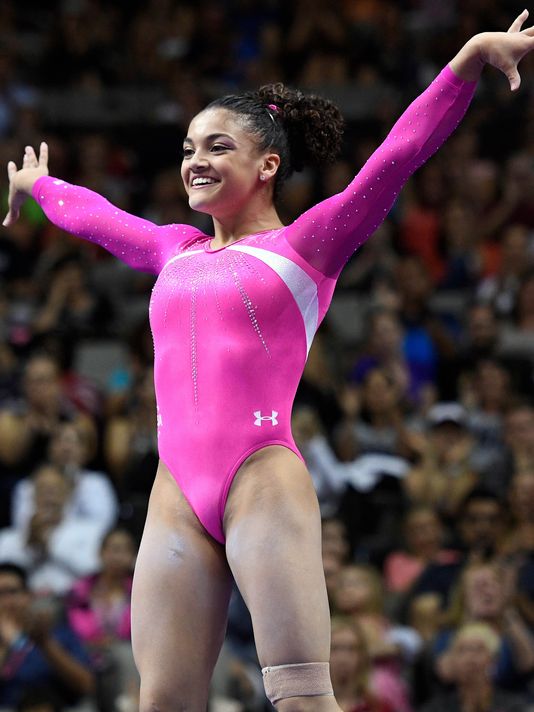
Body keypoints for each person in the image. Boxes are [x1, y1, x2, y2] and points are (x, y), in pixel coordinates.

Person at [4, 13, 534, 711]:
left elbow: (396, 158)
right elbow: (98, 218)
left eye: (217, 146)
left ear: (267, 166)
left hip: (261, 476)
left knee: (302, 695)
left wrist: (466, 64)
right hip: (176, 492)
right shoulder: (175, 248)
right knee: (160, 702)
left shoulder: (307, 248)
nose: (195, 158)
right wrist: (40, 187)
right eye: (189, 145)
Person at [0, 562, 94, 709]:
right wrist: (9, 645)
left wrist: (45, 643)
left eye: (12, 592)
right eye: (0, 594)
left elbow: (87, 685)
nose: (6, 601)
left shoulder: (57, 632)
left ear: (28, 595)